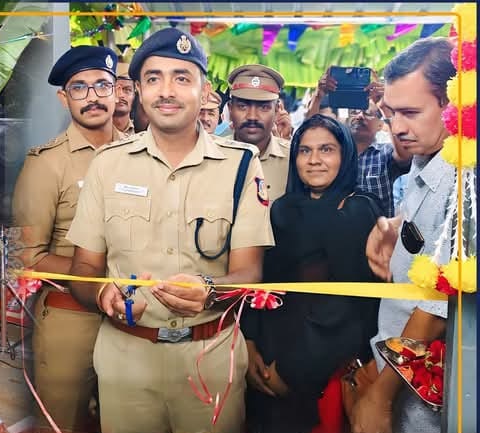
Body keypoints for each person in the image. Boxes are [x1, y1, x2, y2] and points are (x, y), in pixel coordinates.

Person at [64, 28, 274, 433]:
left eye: (181, 77)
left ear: (205, 91)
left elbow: (250, 272)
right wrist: (103, 294)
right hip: (125, 360)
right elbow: (84, 269)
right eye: (153, 78)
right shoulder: (108, 164)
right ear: (138, 91)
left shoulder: (241, 165)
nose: (166, 91)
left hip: (210, 359)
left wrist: (210, 290)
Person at [242, 114, 382, 433]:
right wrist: (250, 345)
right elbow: (262, 281)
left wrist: (291, 371)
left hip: (321, 366)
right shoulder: (282, 209)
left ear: (345, 156)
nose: (314, 160)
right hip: (267, 355)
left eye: (326, 150)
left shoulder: (358, 210)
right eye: (305, 151)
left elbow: (348, 308)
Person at [12, 45, 123, 433]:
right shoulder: (46, 163)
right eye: (79, 88)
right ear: (64, 98)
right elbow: (29, 255)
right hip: (71, 319)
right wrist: (102, 277)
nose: (92, 97)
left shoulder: (140, 153)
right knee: (62, 424)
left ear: (117, 91)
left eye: (102, 85)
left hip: (134, 319)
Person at [358, 37, 457, 433]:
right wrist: (393, 226)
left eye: (411, 113)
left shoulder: (464, 184)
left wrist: (379, 397)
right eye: (391, 113)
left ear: (451, 104)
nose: (397, 128)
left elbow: (435, 310)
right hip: (395, 369)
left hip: (419, 399)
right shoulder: (427, 158)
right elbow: (426, 224)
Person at [226, 65, 292, 203]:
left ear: (277, 110)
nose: (252, 117)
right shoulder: (212, 156)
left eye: (264, 107)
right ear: (230, 109)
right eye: (242, 106)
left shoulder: (293, 160)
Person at [112, 61, 136, 137]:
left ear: (134, 95)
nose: (121, 95)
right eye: (115, 90)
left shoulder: (145, 133)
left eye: (127, 90)